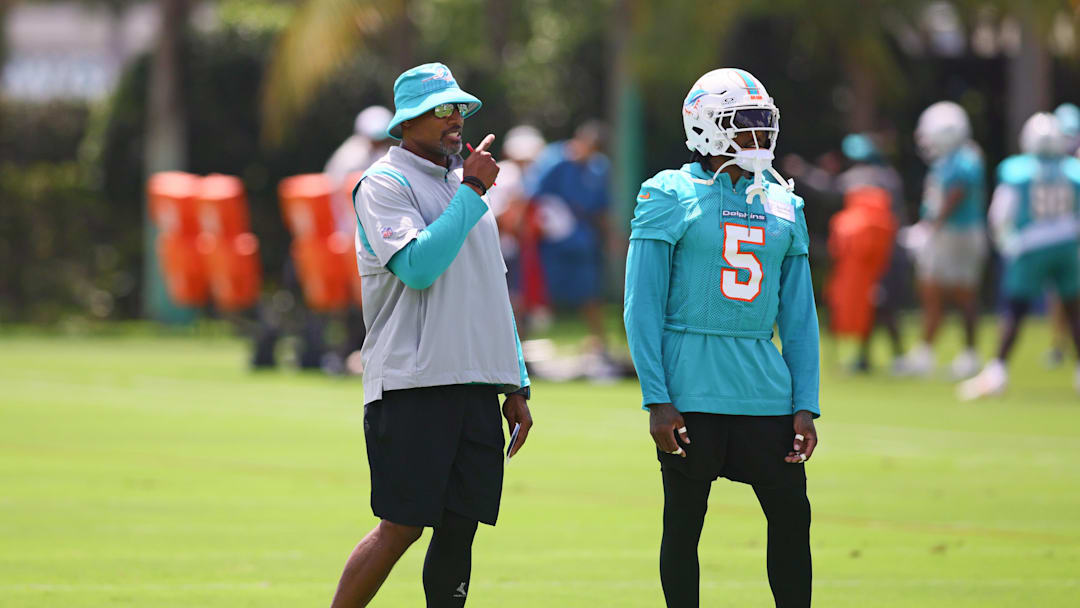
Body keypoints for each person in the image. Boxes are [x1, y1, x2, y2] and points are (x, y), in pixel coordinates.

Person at [330, 62, 533, 608]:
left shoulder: (462, 185)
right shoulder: (383, 184)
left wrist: (515, 381)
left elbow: (492, 287)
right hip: (413, 383)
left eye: (460, 109)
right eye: (442, 110)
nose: (456, 120)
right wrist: (472, 190)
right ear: (407, 121)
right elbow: (418, 267)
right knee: (401, 527)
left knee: (461, 527)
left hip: (474, 383)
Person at [624, 67, 820, 608]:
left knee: (791, 520)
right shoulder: (668, 192)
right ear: (707, 127)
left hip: (765, 391)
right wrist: (657, 398)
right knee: (684, 527)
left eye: (764, 124)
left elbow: (800, 317)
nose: (760, 137)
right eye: (745, 124)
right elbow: (641, 306)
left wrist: (806, 404)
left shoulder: (786, 202)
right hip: (691, 390)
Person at [959, 112, 1080, 399]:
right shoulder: (1073, 171)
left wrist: (1008, 243)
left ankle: (997, 371)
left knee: (1015, 309)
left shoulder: (1018, 171)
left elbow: (1000, 214)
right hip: (1067, 244)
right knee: (1075, 310)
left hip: (1031, 245)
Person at [894, 101, 987, 379]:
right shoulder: (946, 160)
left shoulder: (967, 158)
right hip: (943, 232)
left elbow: (956, 194)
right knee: (930, 289)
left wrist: (930, 227)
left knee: (963, 292)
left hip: (959, 232)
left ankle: (969, 353)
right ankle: (926, 352)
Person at [527, 120, 613, 369]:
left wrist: (611, 238)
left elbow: (601, 209)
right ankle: (519, 351)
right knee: (536, 296)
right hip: (550, 243)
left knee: (590, 295)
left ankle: (600, 348)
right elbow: (531, 199)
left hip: (583, 242)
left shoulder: (599, 168)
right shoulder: (553, 160)